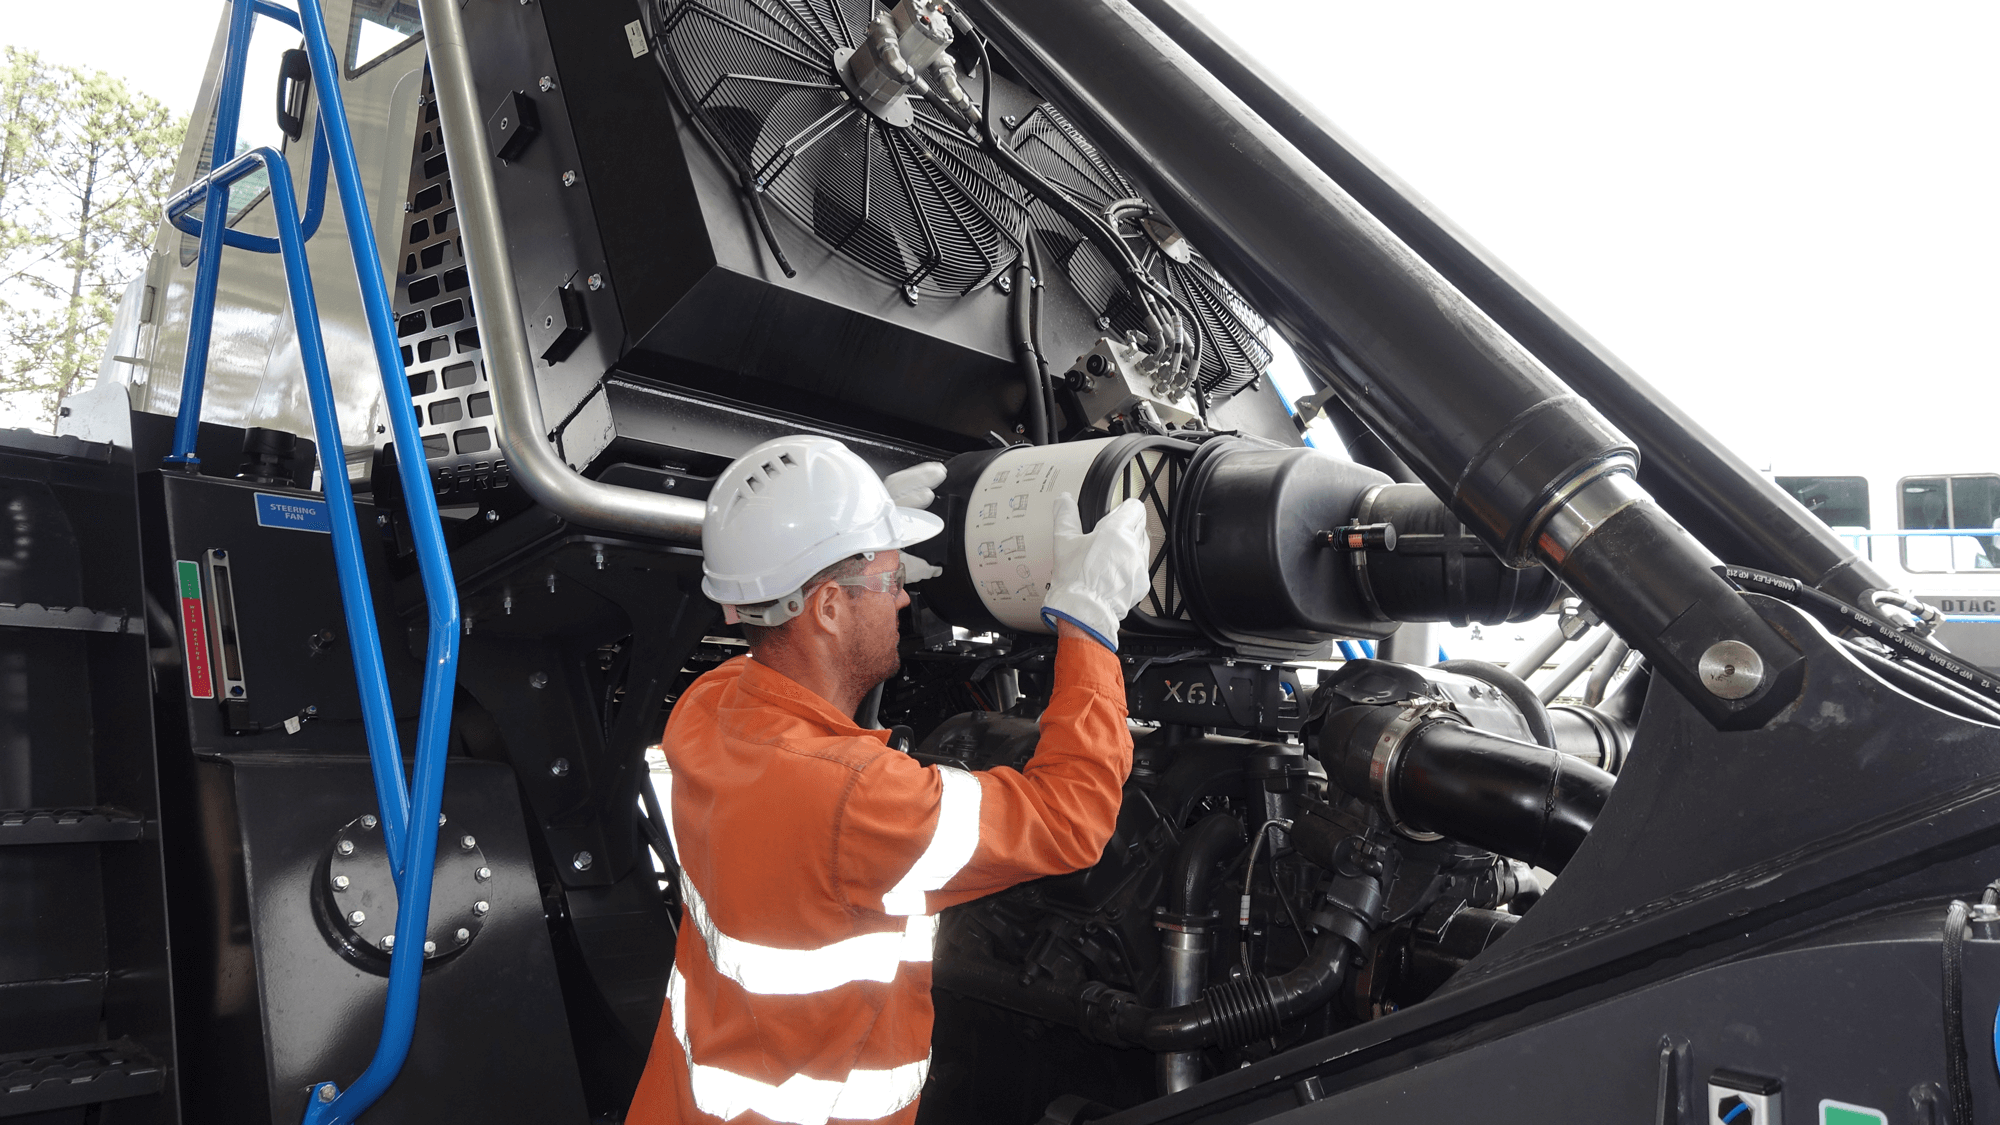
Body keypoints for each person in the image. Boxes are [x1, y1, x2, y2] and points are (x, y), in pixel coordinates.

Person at [628, 434, 1152, 1125]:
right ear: (825, 609)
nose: (903, 597)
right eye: (888, 579)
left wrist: (859, 537)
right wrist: (1089, 626)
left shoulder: (709, 709)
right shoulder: (857, 799)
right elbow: (1070, 819)